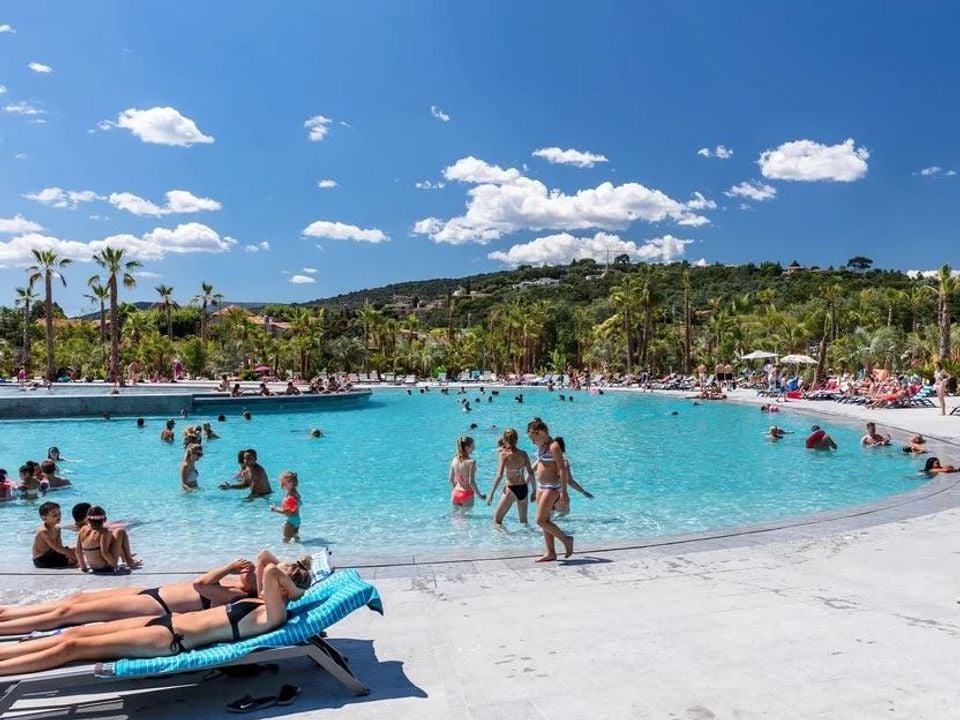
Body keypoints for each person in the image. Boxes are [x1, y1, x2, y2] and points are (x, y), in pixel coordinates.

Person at [0, 556, 310, 675]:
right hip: (164, 622)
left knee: (71, 649)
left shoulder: (272, 616)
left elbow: (269, 568)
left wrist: (295, 588)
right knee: (72, 634)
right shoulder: (259, 600)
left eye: (281, 577)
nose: (273, 570)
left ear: (282, 588)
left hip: (168, 639)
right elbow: (267, 559)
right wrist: (293, 571)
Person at [0, 551, 306, 635]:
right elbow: (266, 556)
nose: (251, 567)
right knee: (73, 602)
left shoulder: (239, 597)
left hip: (153, 607)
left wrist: (228, 567)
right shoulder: (242, 587)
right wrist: (292, 567)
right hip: (150, 592)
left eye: (254, 572)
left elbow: (201, 585)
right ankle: (6, 614)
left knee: (67, 615)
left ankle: (5, 626)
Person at [526, 417, 574, 561]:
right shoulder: (541, 446)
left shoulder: (554, 446)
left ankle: (566, 540)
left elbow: (562, 469)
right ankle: (550, 552)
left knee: (540, 520)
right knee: (546, 520)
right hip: (541, 486)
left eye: (533, 438)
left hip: (552, 487)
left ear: (542, 433)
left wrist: (563, 491)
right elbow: (539, 463)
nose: (532, 442)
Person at [487, 429, 536, 527]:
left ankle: (506, 539)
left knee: (497, 521)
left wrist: (491, 493)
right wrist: (534, 490)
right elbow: (530, 473)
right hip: (523, 489)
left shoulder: (504, 455)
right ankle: (528, 539)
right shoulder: (523, 453)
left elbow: (499, 475)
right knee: (524, 522)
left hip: (511, 489)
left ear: (504, 439)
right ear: (517, 440)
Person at [76, 505, 141, 573]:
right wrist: (116, 567)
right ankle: (129, 561)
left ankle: (125, 558)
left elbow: (78, 551)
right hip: (105, 567)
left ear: (87, 519)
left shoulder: (83, 529)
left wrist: (84, 568)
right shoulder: (104, 532)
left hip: (93, 567)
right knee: (120, 531)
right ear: (104, 519)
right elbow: (104, 552)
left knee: (113, 534)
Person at [548, 436, 593, 517]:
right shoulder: (564, 462)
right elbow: (570, 481)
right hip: (558, 493)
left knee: (548, 517)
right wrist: (583, 491)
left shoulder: (545, 460)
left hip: (545, 491)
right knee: (565, 512)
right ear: (562, 448)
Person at [32, 502, 77, 569]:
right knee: (74, 560)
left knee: (79, 548)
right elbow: (56, 547)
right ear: (44, 518)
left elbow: (60, 546)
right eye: (54, 515)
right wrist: (72, 555)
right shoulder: (43, 531)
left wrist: (69, 553)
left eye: (59, 514)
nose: (58, 516)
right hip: (41, 560)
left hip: (51, 554)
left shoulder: (57, 529)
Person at [449, 436, 485, 509]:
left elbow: (450, 480)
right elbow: (471, 482)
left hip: (455, 493)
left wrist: (456, 491)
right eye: (472, 446)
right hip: (466, 494)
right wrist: (480, 495)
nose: (474, 448)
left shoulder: (454, 460)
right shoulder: (471, 462)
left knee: (454, 518)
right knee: (467, 519)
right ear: (466, 447)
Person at [270, 471, 302, 543]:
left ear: (290, 484)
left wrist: (274, 509)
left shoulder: (290, 497)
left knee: (286, 540)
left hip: (290, 521)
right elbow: (294, 507)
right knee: (296, 539)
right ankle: (299, 551)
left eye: (283, 484)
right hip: (297, 519)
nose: (281, 486)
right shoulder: (296, 494)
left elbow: (287, 512)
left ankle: (287, 553)